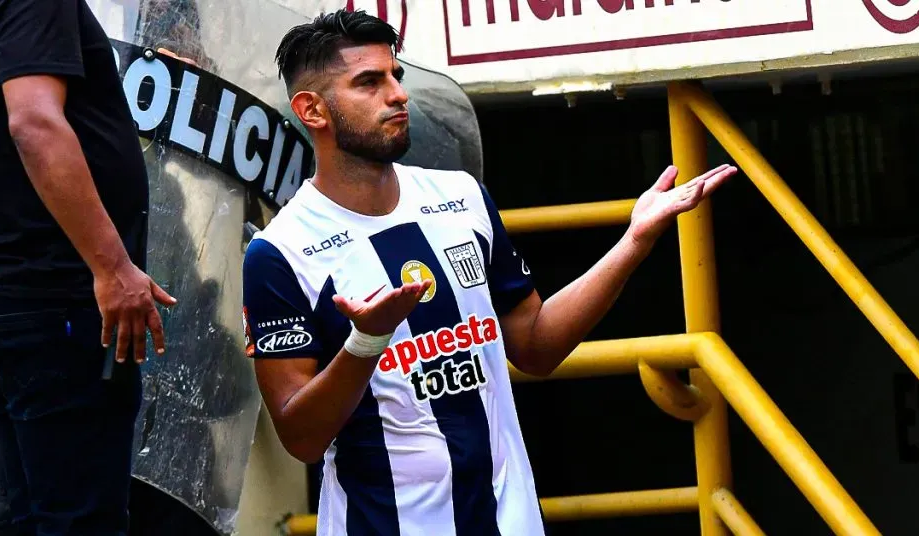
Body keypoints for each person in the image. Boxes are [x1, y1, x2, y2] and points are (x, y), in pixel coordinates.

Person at [242, 9, 736, 535]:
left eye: (396, 76)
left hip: (509, 520)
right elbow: (300, 437)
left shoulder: (461, 199)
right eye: (369, 82)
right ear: (312, 109)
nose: (398, 95)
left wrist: (634, 241)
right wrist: (367, 341)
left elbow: (536, 345)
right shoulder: (281, 252)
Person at [0, 1, 176, 534]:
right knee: (77, 524)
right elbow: (33, 123)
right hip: (51, 302)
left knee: (25, 520)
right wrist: (113, 266)